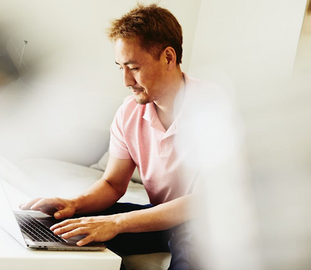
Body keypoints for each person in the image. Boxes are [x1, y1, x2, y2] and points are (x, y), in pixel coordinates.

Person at [21, 4, 213, 269]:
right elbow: (112, 184)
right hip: (161, 216)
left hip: (210, 221)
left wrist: (117, 223)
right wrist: (75, 204)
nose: (126, 80)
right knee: (62, 229)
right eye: (120, 67)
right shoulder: (129, 112)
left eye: (133, 67)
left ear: (168, 58)